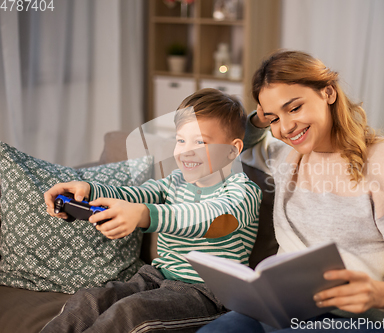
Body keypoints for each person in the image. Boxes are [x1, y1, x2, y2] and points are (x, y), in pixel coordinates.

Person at [198, 51, 384, 333]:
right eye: (274, 119)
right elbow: (239, 145)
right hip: (281, 308)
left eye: (294, 108)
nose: (286, 128)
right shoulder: (285, 158)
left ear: (328, 92)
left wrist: (377, 293)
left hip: (361, 319)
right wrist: (261, 117)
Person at [42, 88, 262, 333]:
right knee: (88, 300)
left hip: (209, 293)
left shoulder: (242, 191)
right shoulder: (175, 181)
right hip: (156, 276)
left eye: (200, 142)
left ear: (232, 150)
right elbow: (136, 194)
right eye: (181, 140)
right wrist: (88, 190)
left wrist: (146, 215)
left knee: (131, 313)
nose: (186, 150)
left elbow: (215, 219)